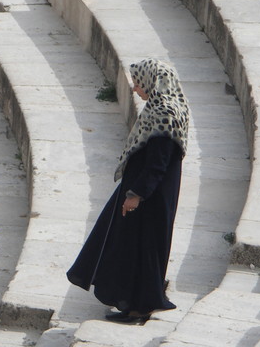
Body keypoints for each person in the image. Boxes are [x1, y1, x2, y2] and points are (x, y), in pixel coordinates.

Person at [67, 58, 189, 325]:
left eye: (138, 83)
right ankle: (133, 303)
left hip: (149, 198)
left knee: (142, 250)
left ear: (153, 82)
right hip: (149, 194)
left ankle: (139, 308)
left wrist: (136, 195)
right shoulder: (166, 107)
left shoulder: (164, 113)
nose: (135, 89)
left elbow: (158, 164)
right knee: (132, 248)